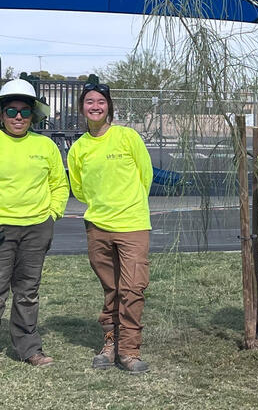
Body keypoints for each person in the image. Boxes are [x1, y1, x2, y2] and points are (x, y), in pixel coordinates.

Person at [0, 79, 69, 377]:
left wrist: (52, 213)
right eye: (11, 110)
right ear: (1, 114)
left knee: (28, 292)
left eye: (24, 111)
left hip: (37, 229)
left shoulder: (45, 146)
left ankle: (29, 348)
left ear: (33, 114)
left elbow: (59, 184)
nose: (18, 117)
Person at [67, 82, 153, 374]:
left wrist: (127, 204)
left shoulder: (127, 137)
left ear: (109, 107)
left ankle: (129, 349)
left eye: (101, 101)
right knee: (111, 288)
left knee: (132, 288)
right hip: (97, 227)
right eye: (89, 102)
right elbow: (78, 188)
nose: (95, 106)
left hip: (132, 225)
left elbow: (146, 175)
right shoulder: (78, 148)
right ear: (82, 109)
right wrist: (101, 206)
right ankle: (110, 342)